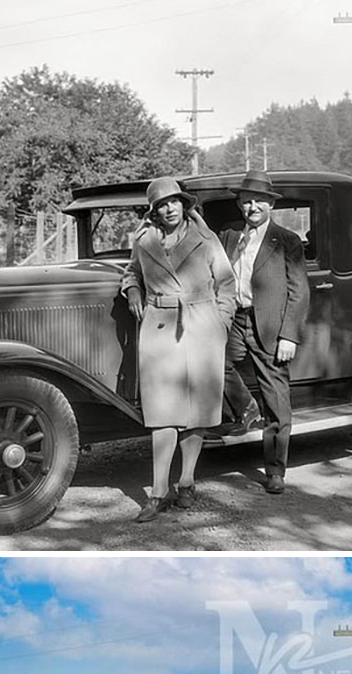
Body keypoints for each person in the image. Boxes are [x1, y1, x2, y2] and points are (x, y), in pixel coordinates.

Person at [122, 177, 237, 521]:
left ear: (184, 204)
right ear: (154, 211)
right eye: (161, 204)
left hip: (202, 325)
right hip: (159, 327)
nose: (169, 208)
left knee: (197, 411)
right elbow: (131, 272)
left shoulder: (206, 239)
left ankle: (186, 481)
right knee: (162, 413)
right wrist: (133, 291)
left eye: (174, 201)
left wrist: (221, 324)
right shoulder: (143, 240)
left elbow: (227, 284)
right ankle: (159, 491)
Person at [217, 171, 310, 494]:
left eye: (258, 200)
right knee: (215, 364)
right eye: (246, 201)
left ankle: (275, 470)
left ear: (271, 204)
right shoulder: (229, 237)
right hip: (235, 321)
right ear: (240, 204)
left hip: (269, 327)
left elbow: (299, 292)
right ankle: (246, 406)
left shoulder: (287, 241)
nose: (251, 206)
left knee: (276, 399)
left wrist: (289, 336)